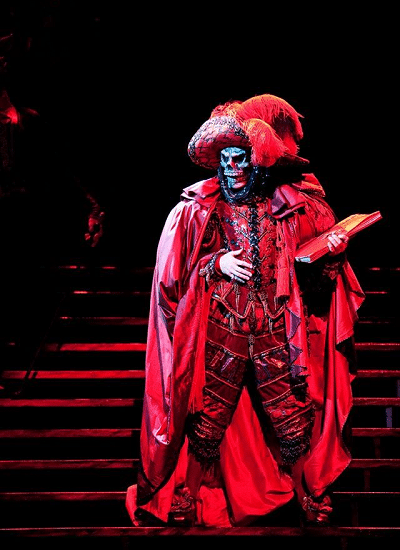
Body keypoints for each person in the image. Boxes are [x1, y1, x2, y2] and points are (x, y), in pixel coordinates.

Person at [126, 93, 365, 528]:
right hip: (223, 322)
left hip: (275, 323)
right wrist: (216, 263)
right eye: (226, 161)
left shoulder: (288, 206)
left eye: (240, 160)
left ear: (257, 163)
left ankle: (307, 494)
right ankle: (186, 492)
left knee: (290, 415)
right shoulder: (201, 209)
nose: (233, 168)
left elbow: (313, 269)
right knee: (208, 416)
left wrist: (331, 250)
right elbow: (176, 273)